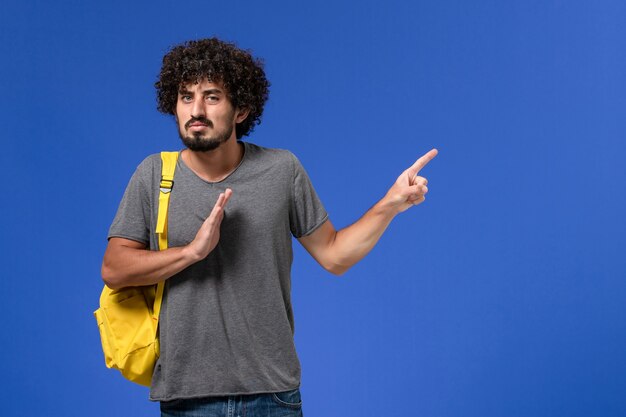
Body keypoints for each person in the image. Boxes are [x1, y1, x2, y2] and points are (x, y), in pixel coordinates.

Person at [101, 37, 437, 417]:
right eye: (185, 96)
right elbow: (114, 269)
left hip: (273, 396)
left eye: (212, 96)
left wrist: (389, 205)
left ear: (241, 108)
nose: (196, 109)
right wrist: (191, 253)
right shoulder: (154, 175)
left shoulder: (281, 170)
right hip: (187, 397)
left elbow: (334, 255)